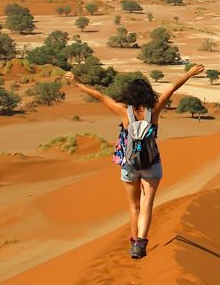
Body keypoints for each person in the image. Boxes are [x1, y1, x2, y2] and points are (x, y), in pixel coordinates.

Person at [63, 64, 206, 259]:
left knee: (134, 207)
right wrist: (189, 73)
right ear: (148, 93)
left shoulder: (124, 111)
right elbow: (172, 88)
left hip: (129, 165)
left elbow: (99, 96)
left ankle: (133, 243)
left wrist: (77, 83)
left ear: (129, 94)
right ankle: (141, 243)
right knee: (146, 205)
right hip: (152, 164)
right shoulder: (154, 110)